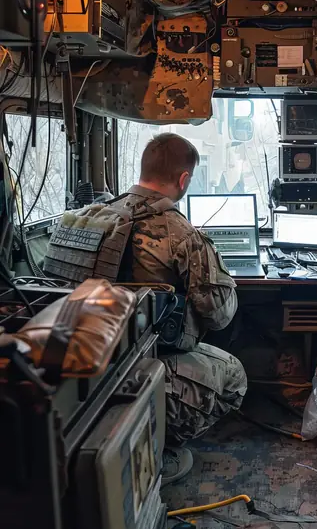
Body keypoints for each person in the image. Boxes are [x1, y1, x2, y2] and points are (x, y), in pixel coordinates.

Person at [45, 133, 247, 485]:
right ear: (183, 179)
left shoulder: (90, 217)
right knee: (234, 375)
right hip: (140, 366)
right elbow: (219, 315)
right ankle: (159, 451)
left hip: (75, 370)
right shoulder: (181, 233)